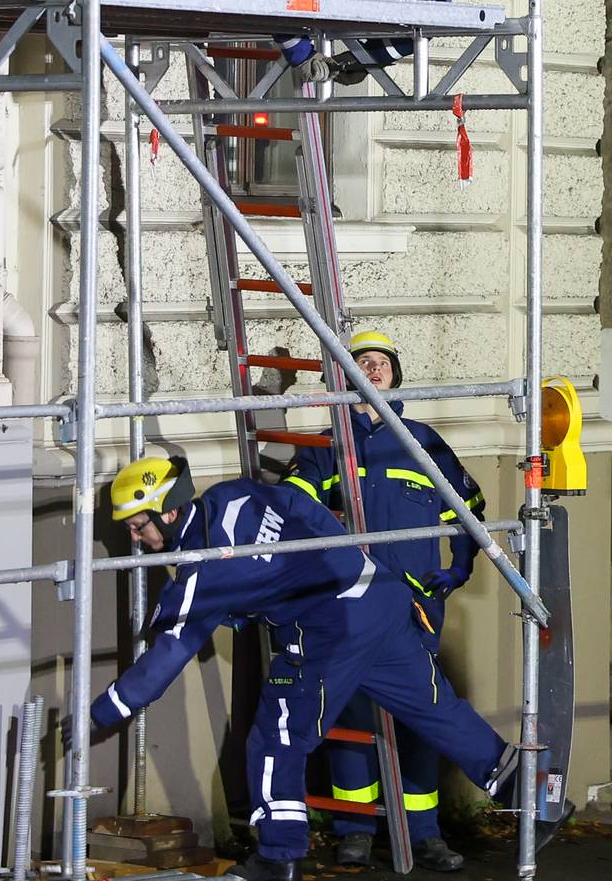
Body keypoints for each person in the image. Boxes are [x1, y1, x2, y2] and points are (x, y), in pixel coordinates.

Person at [85, 455, 535, 881]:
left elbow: (169, 653)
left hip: (331, 631)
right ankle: (530, 792)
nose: (135, 540)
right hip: (380, 597)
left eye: (137, 526)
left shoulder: (202, 574)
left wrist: (105, 711)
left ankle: (278, 859)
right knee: (435, 708)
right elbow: (304, 507)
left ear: (167, 512)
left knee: (277, 737)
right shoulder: (234, 494)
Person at [291, 329, 488, 871]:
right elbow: (294, 510)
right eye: (362, 362)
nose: (373, 369)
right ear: (347, 376)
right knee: (350, 714)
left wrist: (456, 570)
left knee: (420, 717)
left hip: (415, 608)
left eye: (381, 362)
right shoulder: (329, 445)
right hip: (350, 608)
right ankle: (356, 830)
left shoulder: (422, 441)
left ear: (395, 375)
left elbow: (469, 509)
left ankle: (424, 832)